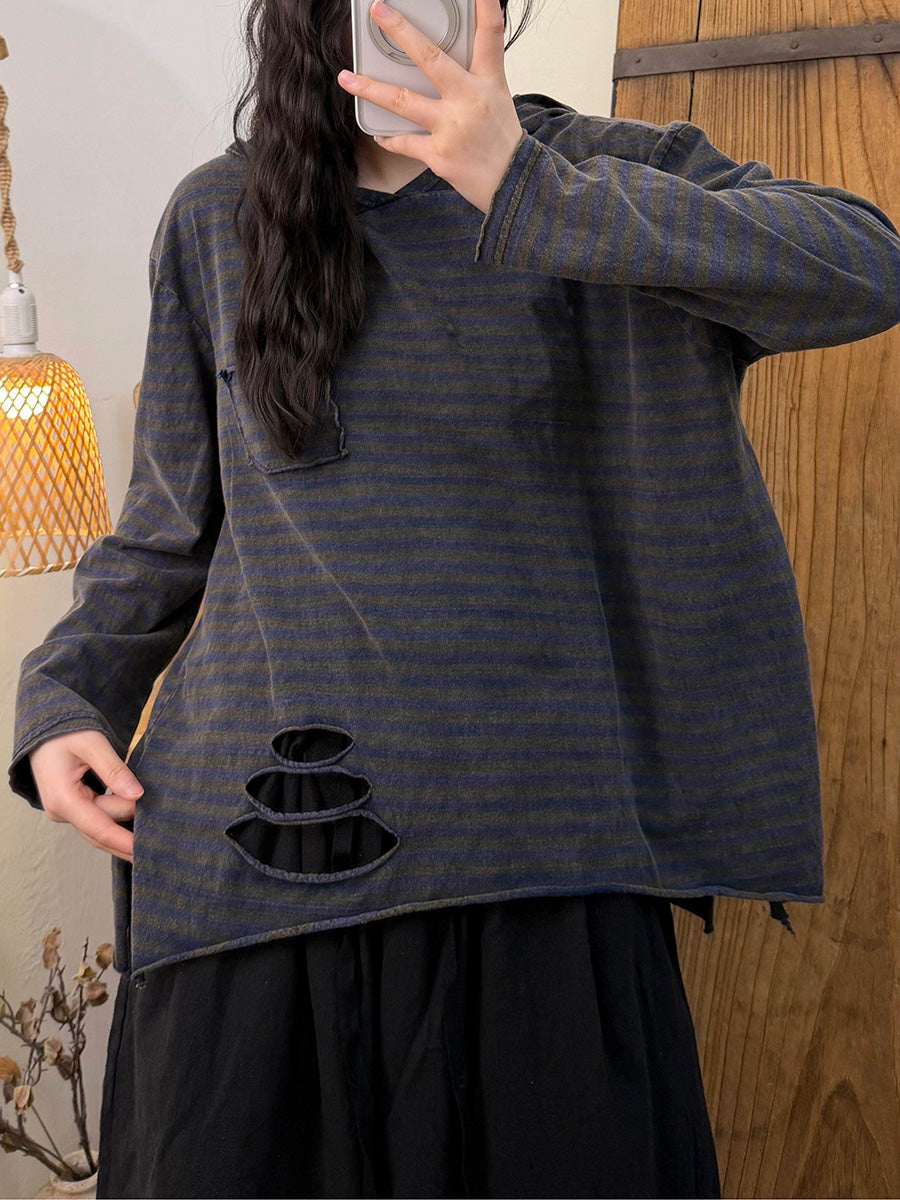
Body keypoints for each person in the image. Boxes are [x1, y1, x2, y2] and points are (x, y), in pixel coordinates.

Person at [9, 0, 900, 1195]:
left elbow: (864, 264)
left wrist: (523, 187)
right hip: (265, 867)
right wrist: (65, 695)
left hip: (541, 865)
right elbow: (166, 532)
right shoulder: (218, 218)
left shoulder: (598, 173)